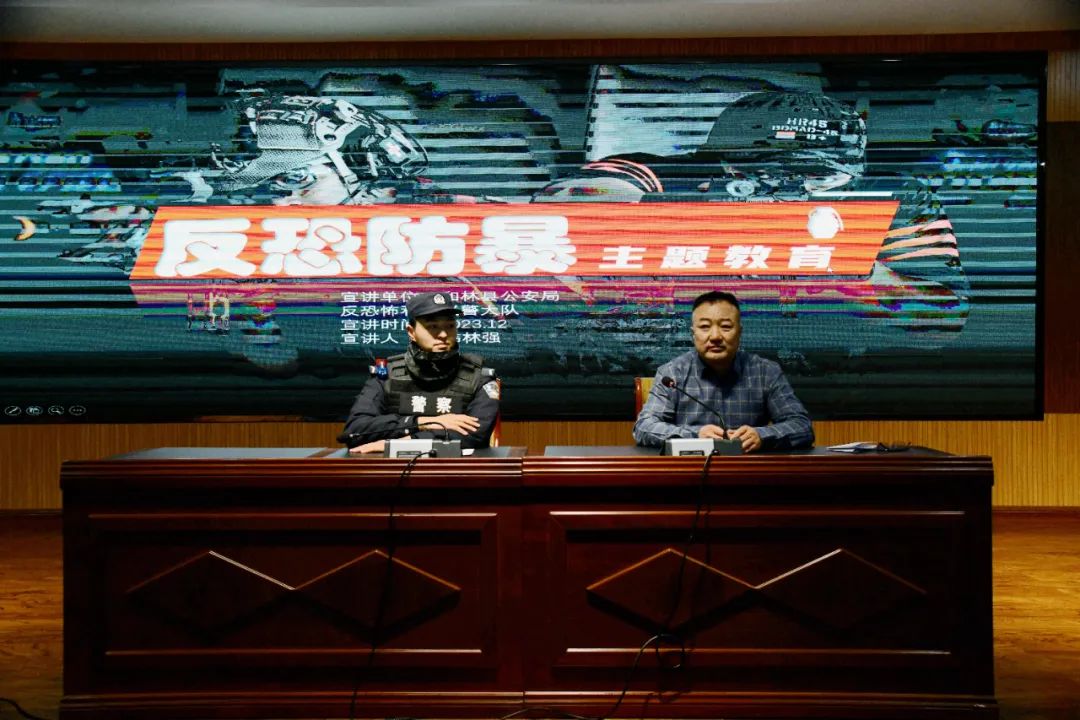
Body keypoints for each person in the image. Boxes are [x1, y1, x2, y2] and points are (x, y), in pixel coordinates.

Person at [633, 290, 814, 453]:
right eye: (705, 327)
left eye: (726, 326)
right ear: (693, 334)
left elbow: (802, 426)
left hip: (748, 470)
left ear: (739, 332)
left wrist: (762, 435)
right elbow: (644, 427)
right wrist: (695, 435)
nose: (715, 336)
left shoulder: (765, 372)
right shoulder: (672, 373)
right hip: (690, 471)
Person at [341, 292, 500, 454]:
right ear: (411, 332)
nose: (443, 334)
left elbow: (476, 434)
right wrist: (422, 422)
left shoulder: (479, 377)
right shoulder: (386, 374)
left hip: (456, 468)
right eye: (432, 327)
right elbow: (355, 431)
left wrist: (401, 443)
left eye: (450, 326)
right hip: (393, 468)